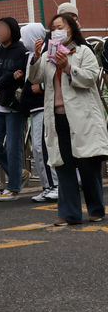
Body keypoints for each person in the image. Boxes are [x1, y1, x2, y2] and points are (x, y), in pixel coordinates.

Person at [28, 13, 108, 225]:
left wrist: (68, 67)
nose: (57, 31)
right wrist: (36, 58)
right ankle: (69, 213)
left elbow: (91, 78)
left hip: (82, 118)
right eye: (53, 28)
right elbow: (34, 79)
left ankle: (96, 209)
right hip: (57, 118)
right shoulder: (47, 55)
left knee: (87, 165)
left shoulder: (83, 51)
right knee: (63, 166)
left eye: (60, 26)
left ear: (71, 28)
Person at [0, 17, 29, 201]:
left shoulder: (21, 52)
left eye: (3, 28)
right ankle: (18, 173)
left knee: (13, 147)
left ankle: (14, 186)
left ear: (13, 30)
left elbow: (14, 75)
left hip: (15, 105)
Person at [19, 23, 58, 203]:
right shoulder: (32, 54)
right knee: (38, 148)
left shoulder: (48, 50)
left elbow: (54, 74)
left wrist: (41, 87)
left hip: (43, 106)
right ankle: (47, 186)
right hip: (35, 108)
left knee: (43, 147)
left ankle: (54, 185)